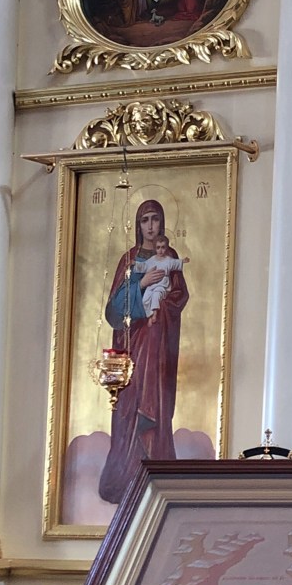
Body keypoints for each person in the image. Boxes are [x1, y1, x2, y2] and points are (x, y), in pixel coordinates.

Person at [98, 199, 189, 504]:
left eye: (155, 219)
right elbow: (113, 310)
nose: (151, 226)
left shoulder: (170, 256)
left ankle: (160, 478)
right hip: (133, 346)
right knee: (129, 406)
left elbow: (180, 295)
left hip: (159, 345)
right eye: (145, 220)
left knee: (156, 405)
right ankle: (124, 478)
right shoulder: (129, 260)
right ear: (138, 225)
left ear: (162, 223)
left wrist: (161, 304)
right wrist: (141, 286)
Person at [137, 233, 189, 324]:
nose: (160, 250)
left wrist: (183, 261)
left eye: (163, 247)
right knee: (145, 299)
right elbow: (144, 266)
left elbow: (176, 263)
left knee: (156, 296)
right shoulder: (152, 260)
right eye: (158, 248)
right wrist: (134, 264)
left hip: (162, 286)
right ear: (155, 248)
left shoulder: (168, 260)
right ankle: (149, 315)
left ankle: (154, 315)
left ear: (166, 248)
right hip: (151, 285)